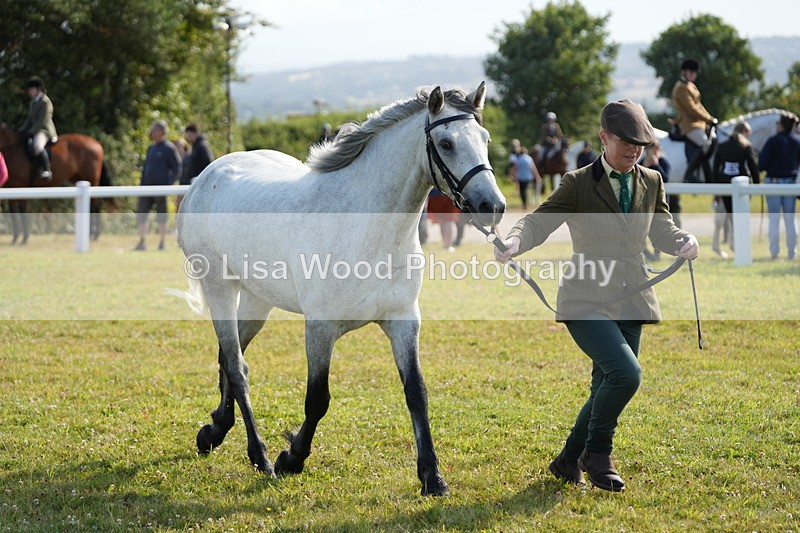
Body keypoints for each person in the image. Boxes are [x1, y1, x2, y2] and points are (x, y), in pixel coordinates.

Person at [494, 99, 699, 492]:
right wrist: (515, 241)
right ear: (604, 137)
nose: (634, 149)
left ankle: (568, 459)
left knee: (606, 382)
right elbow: (539, 221)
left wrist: (683, 240)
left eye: (640, 142)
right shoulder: (576, 183)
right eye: (626, 141)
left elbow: (663, 230)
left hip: (634, 296)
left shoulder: (652, 181)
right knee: (626, 374)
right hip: (585, 297)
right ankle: (598, 453)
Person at [712, 121, 760, 258]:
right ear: (744, 132)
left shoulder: (722, 146)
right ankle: (738, 245)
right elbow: (753, 168)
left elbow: (715, 170)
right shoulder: (746, 147)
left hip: (724, 185)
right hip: (742, 186)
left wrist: (716, 190)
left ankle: (734, 244)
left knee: (729, 214)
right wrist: (756, 187)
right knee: (739, 216)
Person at [758, 112, 800, 260]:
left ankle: (774, 253)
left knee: (774, 219)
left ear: (781, 125)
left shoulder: (772, 141)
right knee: (790, 219)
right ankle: (791, 253)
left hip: (773, 182)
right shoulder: (797, 141)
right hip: (791, 183)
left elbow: (761, 164)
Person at [135, 120, 181, 251]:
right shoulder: (151, 148)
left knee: (161, 216)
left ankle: (162, 242)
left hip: (160, 190)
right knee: (142, 215)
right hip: (146, 189)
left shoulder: (169, 148)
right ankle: (142, 241)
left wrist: (168, 185)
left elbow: (177, 168)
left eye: (154, 130)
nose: (152, 132)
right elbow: (145, 169)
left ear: (161, 132)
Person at [671, 59, 717, 183]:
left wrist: (710, 119)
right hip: (688, 125)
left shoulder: (690, 85)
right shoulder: (681, 88)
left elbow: (699, 106)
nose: (694, 74)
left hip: (698, 124)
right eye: (691, 72)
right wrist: (708, 119)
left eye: (694, 72)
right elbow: (692, 109)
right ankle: (689, 174)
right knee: (706, 144)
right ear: (684, 72)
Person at [18, 76, 57, 181]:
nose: (29, 91)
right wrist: (21, 130)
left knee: (37, 146)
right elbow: (29, 119)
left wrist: (31, 131)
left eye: (31, 89)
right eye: (29, 89)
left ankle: (47, 170)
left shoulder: (45, 102)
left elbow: (43, 120)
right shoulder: (33, 102)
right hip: (35, 130)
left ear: (38, 89)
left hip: (44, 130)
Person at [642, 140, 675, 261]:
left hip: (660, 201)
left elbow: (665, 179)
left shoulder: (664, 162)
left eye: (653, 149)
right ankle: (647, 254)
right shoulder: (641, 163)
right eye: (648, 150)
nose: (651, 152)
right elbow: (636, 178)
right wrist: (645, 166)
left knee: (658, 228)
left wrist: (656, 165)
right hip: (645, 201)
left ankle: (657, 254)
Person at [513, 146, 538, 210]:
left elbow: (515, 168)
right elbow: (533, 168)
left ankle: (524, 204)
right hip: (529, 177)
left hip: (521, 177)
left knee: (522, 191)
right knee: (527, 190)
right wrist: (537, 176)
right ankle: (529, 202)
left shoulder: (518, 159)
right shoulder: (529, 158)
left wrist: (515, 177)